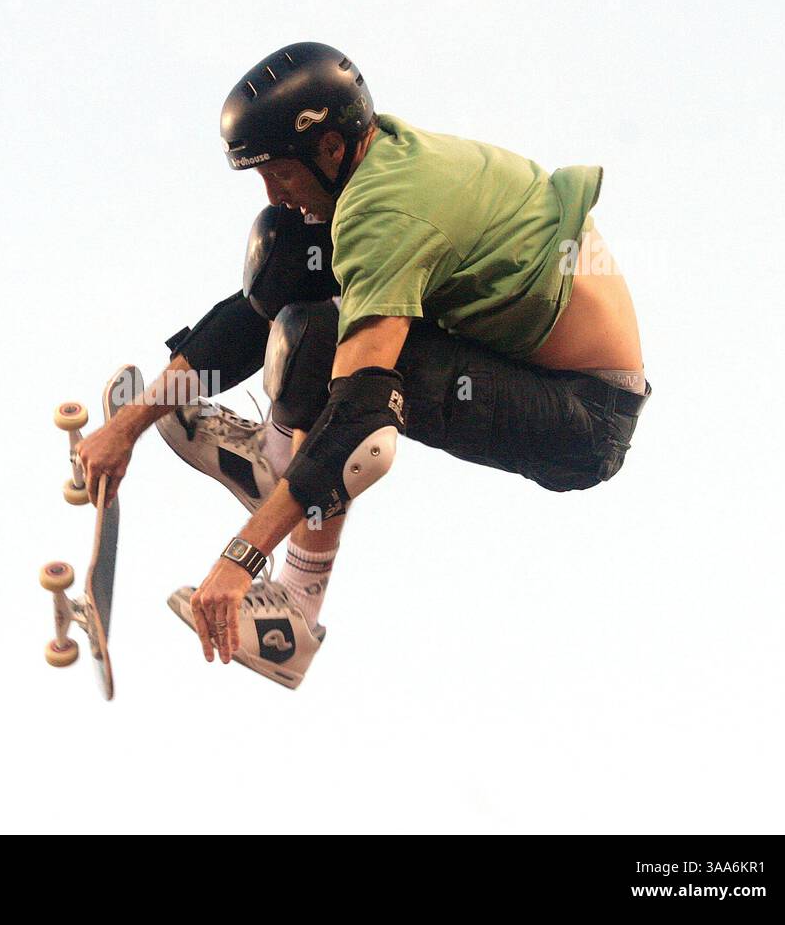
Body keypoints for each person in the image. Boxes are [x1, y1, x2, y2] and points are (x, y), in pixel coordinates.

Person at [75, 42, 650, 688]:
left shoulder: (384, 214)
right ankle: (276, 458)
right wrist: (131, 423)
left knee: (317, 341)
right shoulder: (371, 160)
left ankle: (293, 609)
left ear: (328, 150)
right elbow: (249, 311)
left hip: (583, 414)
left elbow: (360, 427)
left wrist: (241, 557)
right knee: (285, 251)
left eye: (281, 174)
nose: (274, 191)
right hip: (533, 351)